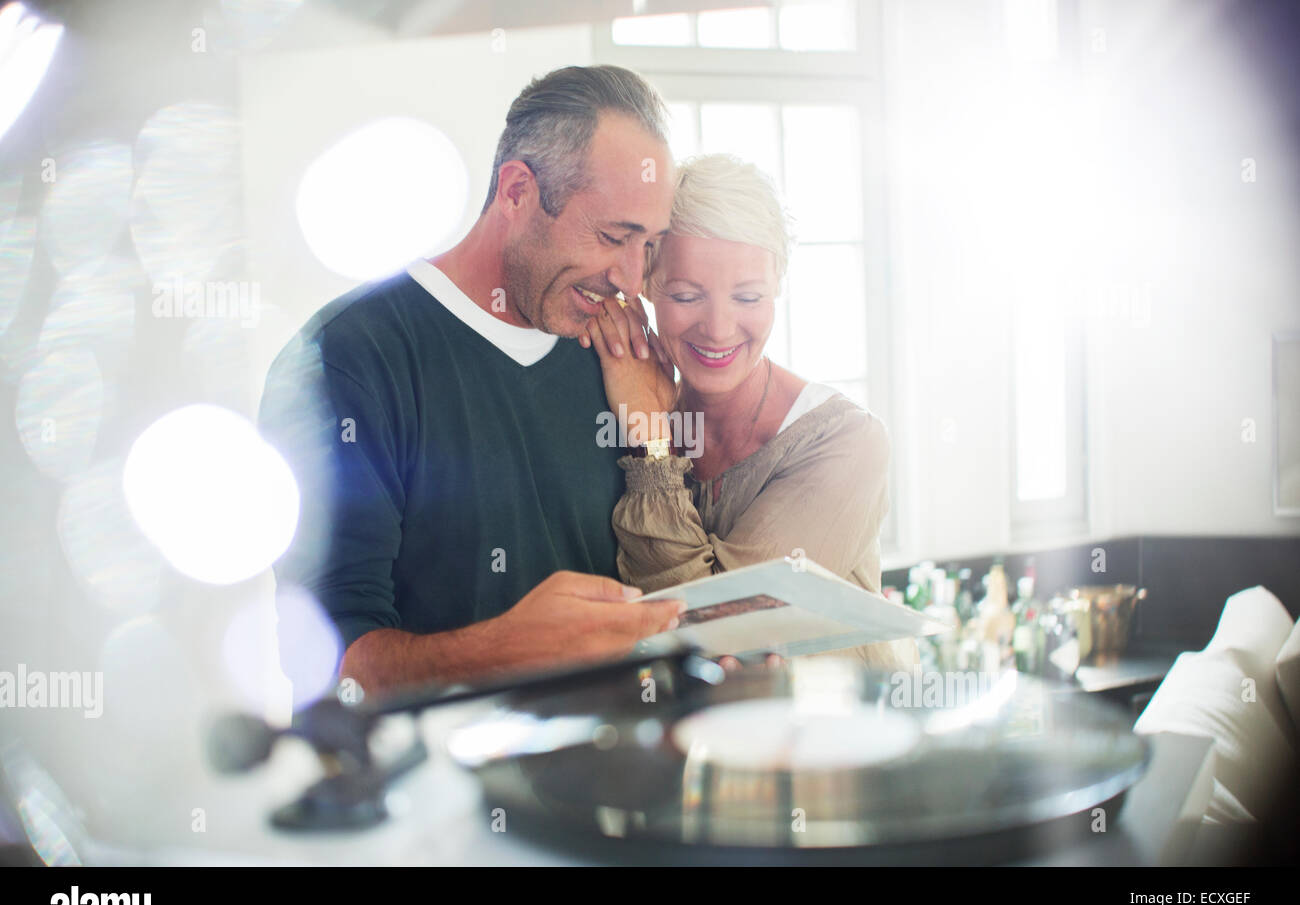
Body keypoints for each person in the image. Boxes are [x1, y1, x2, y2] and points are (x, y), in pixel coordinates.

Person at [258, 66, 685, 699]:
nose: (629, 278)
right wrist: (508, 650)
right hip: (420, 792)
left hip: (597, 786)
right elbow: (328, 668)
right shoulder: (347, 359)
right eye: (611, 237)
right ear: (516, 191)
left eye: (648, 245)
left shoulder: (620, 356)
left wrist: (653, 440)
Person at [582, 154, 919, 672]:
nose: (718, 329)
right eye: (687, 295)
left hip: (840, 741)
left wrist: (651, 443)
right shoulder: (629, 403)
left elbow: (728, 630)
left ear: (778, 285)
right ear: (647, 285)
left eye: (748, 296)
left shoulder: (848, 441)